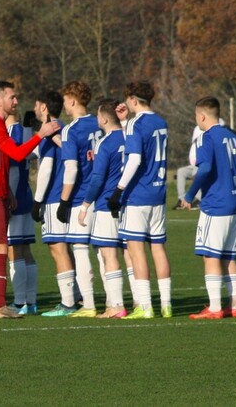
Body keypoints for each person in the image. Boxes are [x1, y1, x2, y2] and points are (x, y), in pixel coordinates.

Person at [0, 81, 58, 319]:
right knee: (0, 247)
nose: (16, 101)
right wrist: (41, 134)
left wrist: (7, 191)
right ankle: (0, 306)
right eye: (12, 97)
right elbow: (18, 154)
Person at [182, 97, 236, 319]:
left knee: (210, 255)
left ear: (202, 116)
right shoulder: (232, 136)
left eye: (196, 115)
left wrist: (189, 195)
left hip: (216, 204)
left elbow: (205, 169)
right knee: (228, 256)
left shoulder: (206, 137)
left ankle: (214, 308)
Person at [107, 81, 173, 319]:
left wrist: (118, 190)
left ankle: (145, 307)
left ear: (134, 100)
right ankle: (166, 305)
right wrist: (125, 122)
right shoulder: (161, 122)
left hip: (138, 194)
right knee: (158, 248)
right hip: (158, 193)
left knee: (136, 250)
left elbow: (134, 159)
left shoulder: (137, 123)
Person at [50, 81, 102, 318]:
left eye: (65, 100)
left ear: (72, 100)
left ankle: (89, 304)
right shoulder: (100, 122)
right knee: (105, 251)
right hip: (103, 196)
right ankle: (114, 303)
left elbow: (71, 169)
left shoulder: (71, 129)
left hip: (81, 198)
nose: (64, 105)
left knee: (80, 250)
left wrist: (63, 202)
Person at [77, 99, 128, 318]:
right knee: (129, 254)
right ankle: (139, 303)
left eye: (98, 115)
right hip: (127, 203)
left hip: (107, 203)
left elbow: (97, 178)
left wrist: (85, 204)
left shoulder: (105, 143)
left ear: (104, 119)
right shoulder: (128, 136)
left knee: (108, 254)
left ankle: (116, 305)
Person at [30, 90, 77, 316]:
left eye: (37, 104)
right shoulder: (64, 128)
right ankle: (76, 296)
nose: (34, 108)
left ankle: (67, 303)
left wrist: (37, 201)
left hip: (53, 197)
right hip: (67, 197)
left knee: (57, 248)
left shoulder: (50, 130)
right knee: (66, 248)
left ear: (44, 107)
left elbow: (46, 167)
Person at [5, 113, 39, 315]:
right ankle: (31, 301)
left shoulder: (12, 132)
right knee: (25, 250)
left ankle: (19, 303)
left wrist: (8, 198)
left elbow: (12, 169)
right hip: (25, 194)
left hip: (15, 197)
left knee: (15, 249)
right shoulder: (25, 131)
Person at [174, 118, 223, 210]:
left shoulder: (218, 125)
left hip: (204, 163)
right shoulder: (198, 128)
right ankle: (181, 200)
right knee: (181, 171)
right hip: (194, 164)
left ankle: (199, 199)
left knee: (199, 173)